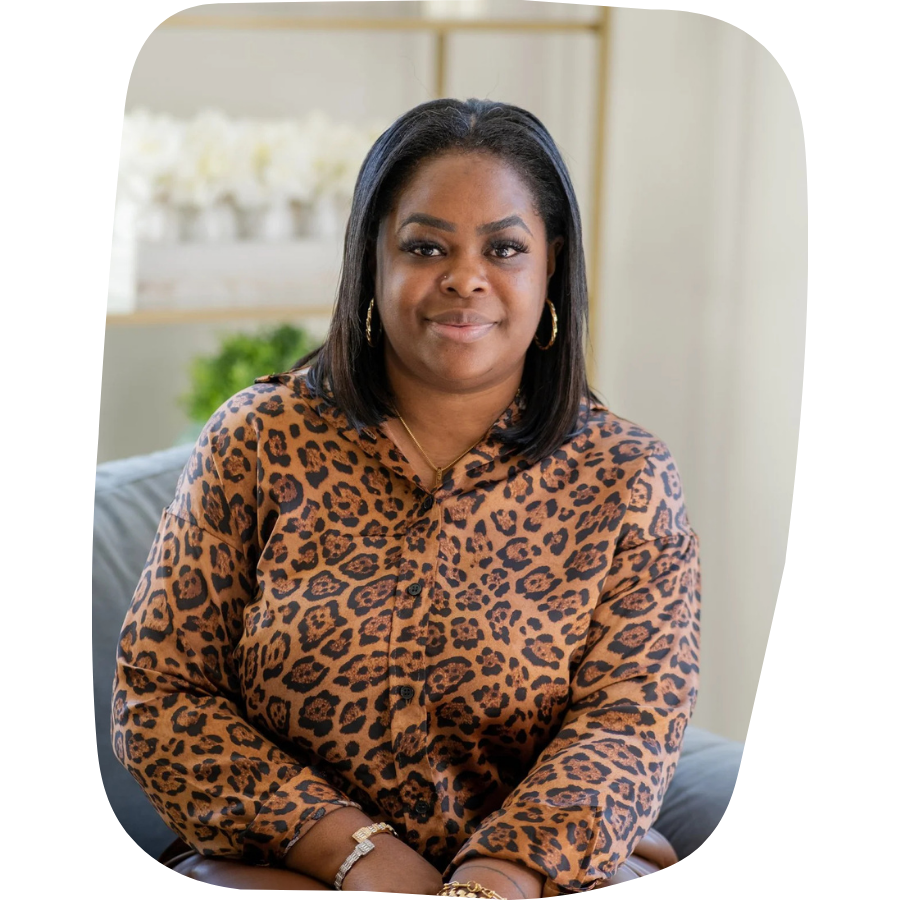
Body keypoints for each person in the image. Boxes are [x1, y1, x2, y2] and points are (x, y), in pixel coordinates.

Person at [111, 98, 701, 899]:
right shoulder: (259, 437)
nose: (465, 277)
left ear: (552, 265)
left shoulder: (626, 477)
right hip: (286, 874)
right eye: (426, 246)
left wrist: (498, 876)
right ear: (372, 258)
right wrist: (355, 852)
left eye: (505, 248)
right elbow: (160, 695)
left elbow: (630, 724)